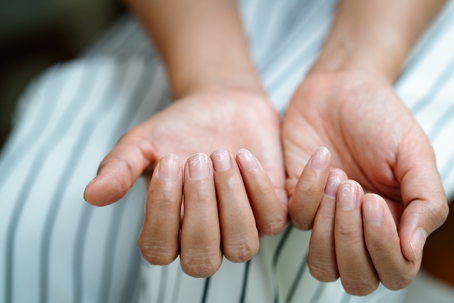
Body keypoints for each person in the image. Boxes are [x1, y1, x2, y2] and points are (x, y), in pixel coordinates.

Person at [1, 0, 453, 302]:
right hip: (193, 20)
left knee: (284, 248)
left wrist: (354, 67)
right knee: (28, 225)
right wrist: (212, 78)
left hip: (400, 19)